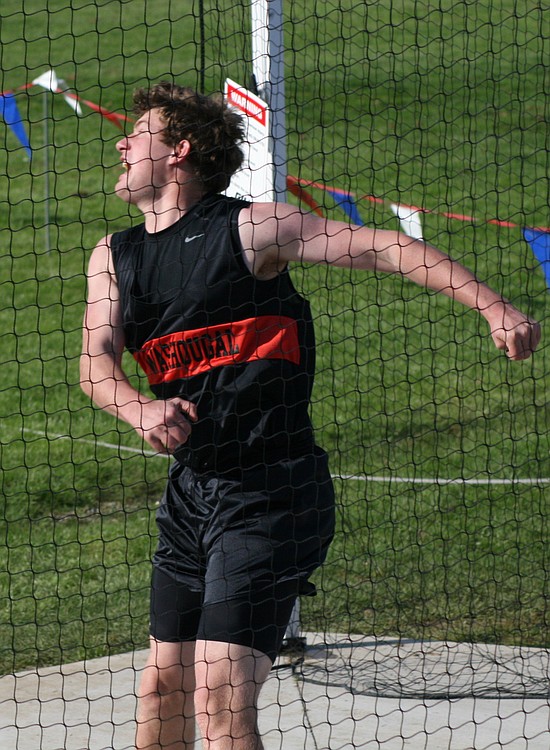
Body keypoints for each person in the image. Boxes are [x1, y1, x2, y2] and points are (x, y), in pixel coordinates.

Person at [80, 82, 541, 750]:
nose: (121, 143)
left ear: (178, 152)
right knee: (163, 687)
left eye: (138, 132)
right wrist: (138, 409)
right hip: (191, 496)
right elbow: (95, 362)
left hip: (274, 493)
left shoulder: (250, 230)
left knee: (218, 697)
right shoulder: (114, 257)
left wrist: (493, 306)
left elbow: (385, 246)